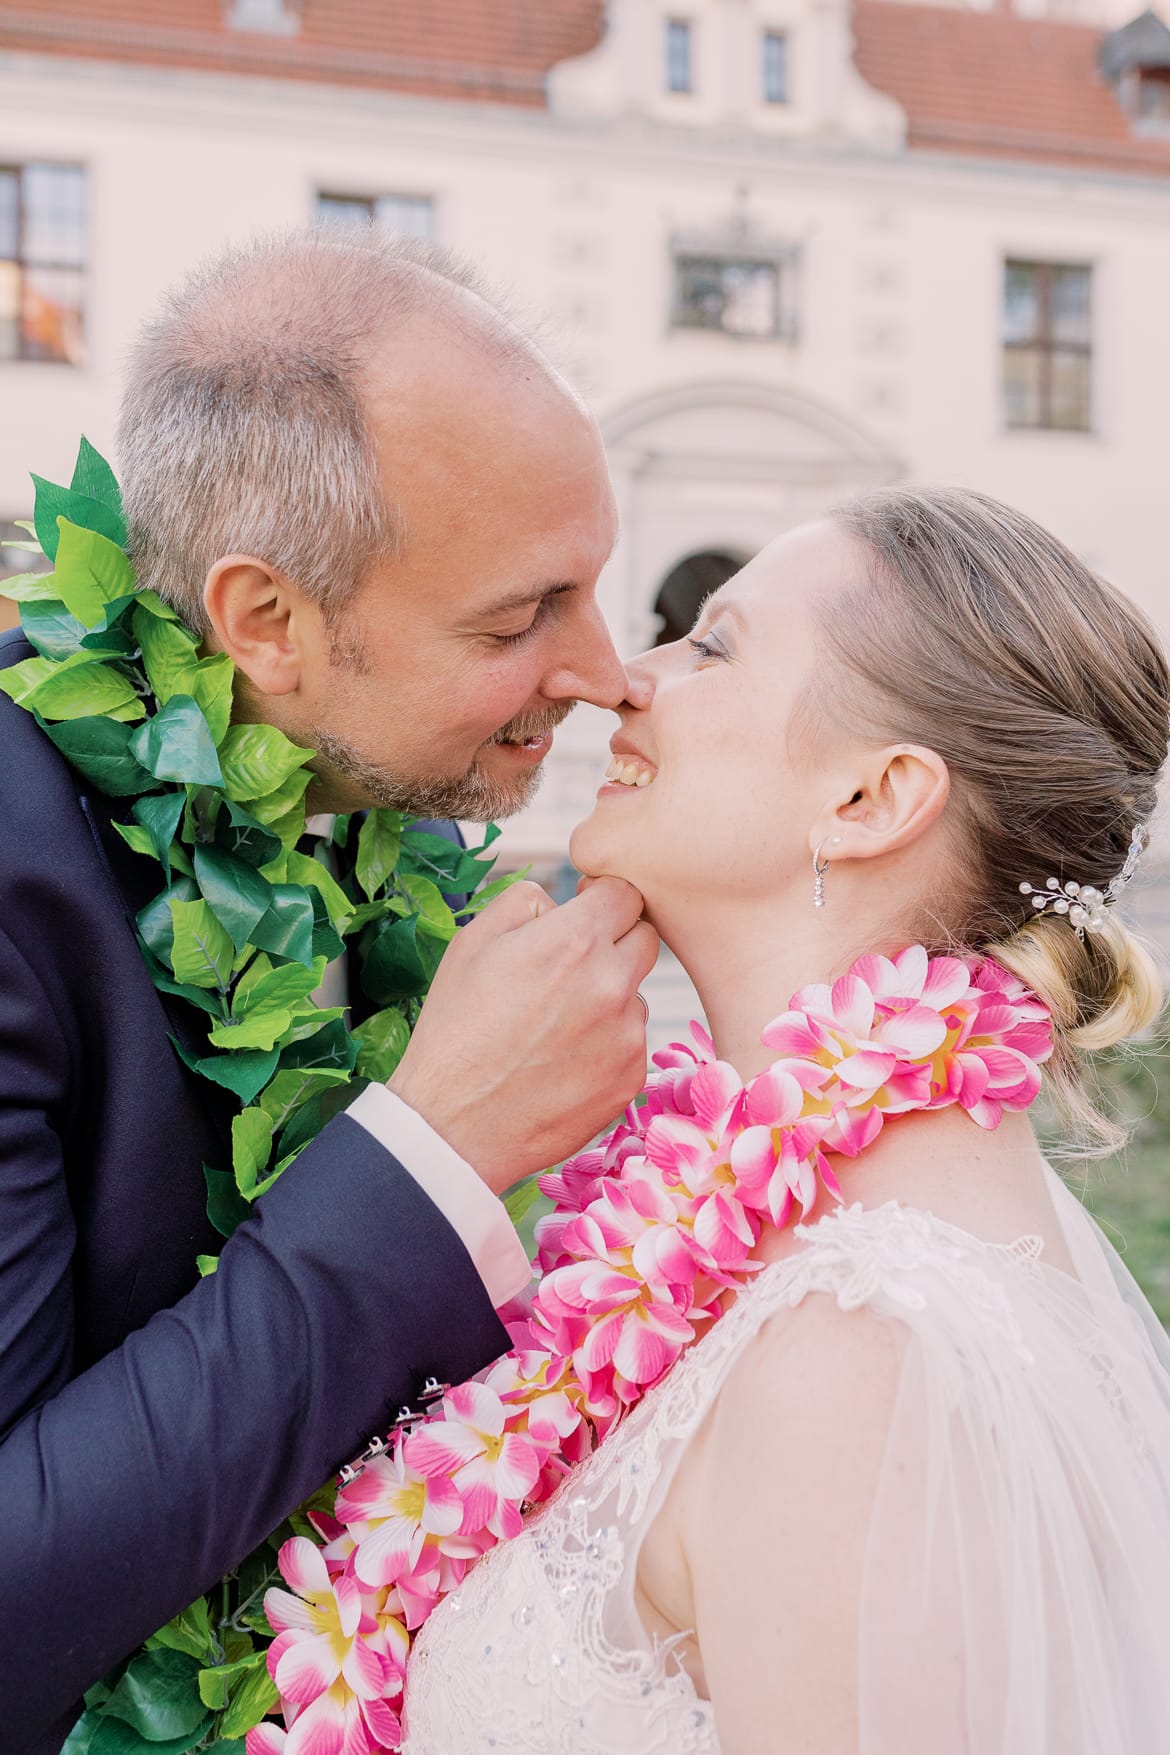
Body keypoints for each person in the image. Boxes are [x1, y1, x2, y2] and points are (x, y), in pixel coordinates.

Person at [0, 229, 659, 1754]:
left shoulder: (376, 820)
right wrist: (426, 1157)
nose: (605, 668)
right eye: (517, 619)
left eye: (595, 587)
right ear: (266, 622)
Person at [401, 488, 1170, 1753]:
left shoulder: (861, 1357)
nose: (622, 679)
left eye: (709, 646)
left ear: (870, 801)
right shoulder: (757, 1245)